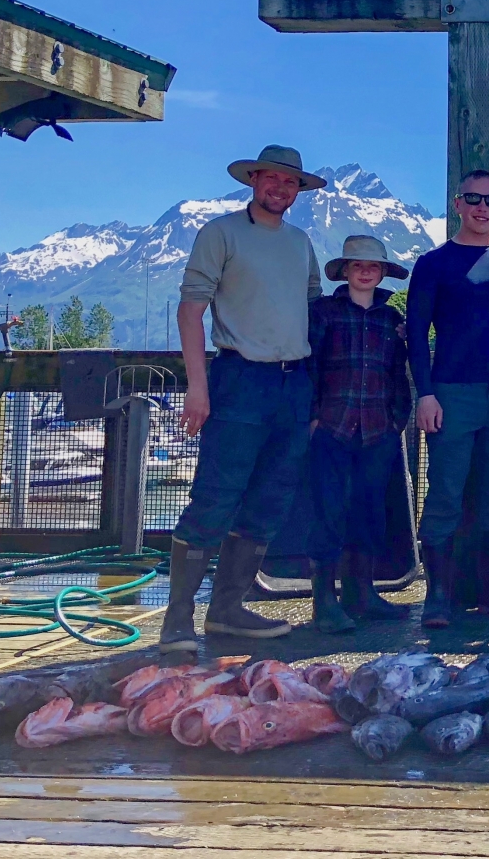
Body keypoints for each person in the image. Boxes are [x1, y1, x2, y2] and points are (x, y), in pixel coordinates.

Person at [166, 145, 325, 652]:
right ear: (253, 180)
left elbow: (314, 315)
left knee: (270, 499)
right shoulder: (220, 233)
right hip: (238, 378)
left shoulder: (302, 243)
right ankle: (177, 620)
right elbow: (190, 312)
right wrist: (198, 386)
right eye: (273, 179)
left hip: (293, 383)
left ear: (299, 192)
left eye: (291, 183)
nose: (281, 189)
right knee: (215, 496)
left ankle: (227, 609)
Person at [407, 170, 489, 629]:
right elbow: (414, 333)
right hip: (450, 394)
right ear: (458, 204)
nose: (483, 207)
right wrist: (425, 394)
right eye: (473, 199)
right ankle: (438, 596)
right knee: (444, 494)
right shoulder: (433, 263)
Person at [304, 235, 413, 633]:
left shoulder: (392, 321)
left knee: (369, 512)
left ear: (383, 273)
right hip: (331, 428)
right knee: (328, 512)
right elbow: (309, 366)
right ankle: (323, 602)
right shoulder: (323, 313)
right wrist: (313, 418)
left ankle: (360, 593)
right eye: (357, 265)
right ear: (345, 271)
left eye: (373, 266)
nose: (365, 271)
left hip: (378, 430)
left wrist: (398, 418)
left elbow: (399, 375)